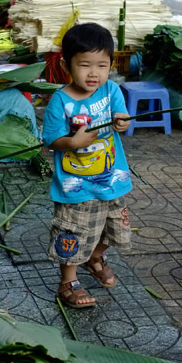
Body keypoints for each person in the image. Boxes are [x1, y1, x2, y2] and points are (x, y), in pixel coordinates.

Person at [42, 23, 132, 308]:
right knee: (73, 233)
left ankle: (95, 256)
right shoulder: (61, 101)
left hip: (111, 180)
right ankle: (68, 282)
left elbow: (123, 118)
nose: (94, 73)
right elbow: (51, 140)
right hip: (76, 186)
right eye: (85, 65)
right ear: (67, 64)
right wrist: (72, 143)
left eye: (102, 66)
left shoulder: (111, 91)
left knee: (115, 229)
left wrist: (123, 121)